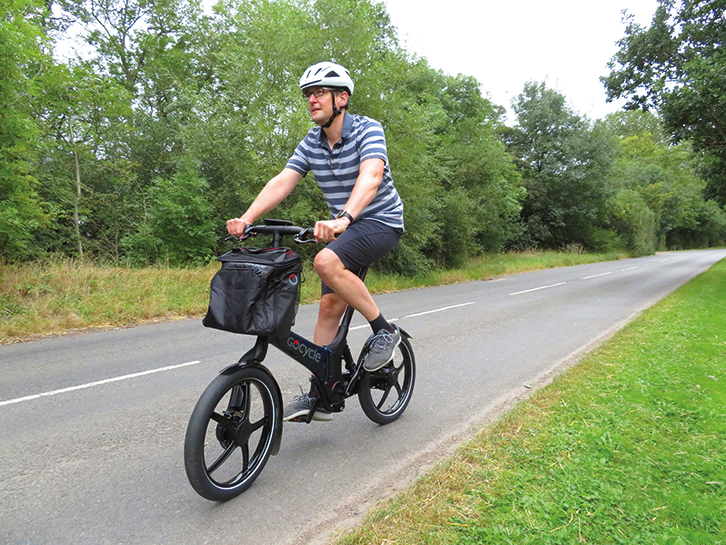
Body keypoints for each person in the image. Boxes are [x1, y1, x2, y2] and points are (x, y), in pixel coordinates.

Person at [226, 61, 404, 422]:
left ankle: (385, 332)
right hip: (348, 227)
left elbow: (371, 177)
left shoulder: (368, 130)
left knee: (325, 261)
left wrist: (343, 219)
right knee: (327, 309)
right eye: (308, 94)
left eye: (318, 92)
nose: (311, 100)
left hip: (379, 221)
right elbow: (283, 181)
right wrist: (247, 218)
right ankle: (322, 394)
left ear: (342, 98)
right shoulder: (311, 142)